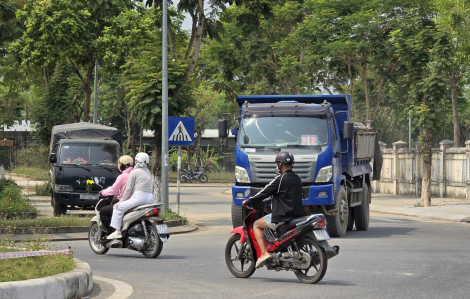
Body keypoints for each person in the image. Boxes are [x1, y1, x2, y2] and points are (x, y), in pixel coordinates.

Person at [242, 152, 304, 268]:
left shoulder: (280, 179)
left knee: (256, 225)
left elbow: (264, 192)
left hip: (282, 215)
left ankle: (264, 253)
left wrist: (249, 201)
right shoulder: (298, 178)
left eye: (278, 163)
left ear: (280, 164)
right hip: (297, 215)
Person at [107, 152, 154, 239]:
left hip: (139, 197)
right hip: (150, 198)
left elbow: (128, 189)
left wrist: (121, 201)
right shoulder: (148, 171)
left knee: (118, 208)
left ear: (136, 161)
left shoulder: (134, 172)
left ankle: (117, 231)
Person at [97, 155, 134, 232]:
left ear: (122, 165)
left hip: (124, 202)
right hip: (136, 202)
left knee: (103, 211)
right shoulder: (135, 175)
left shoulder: (123, 176)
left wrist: (102, 192)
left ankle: (111, 232)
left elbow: (113, 190)